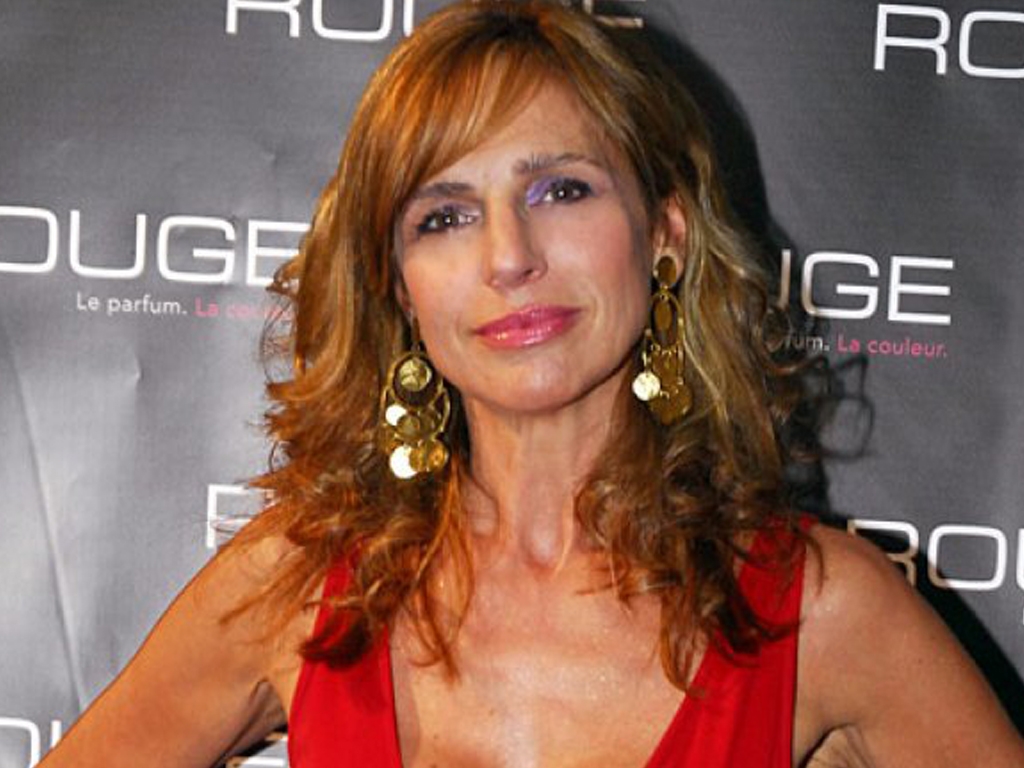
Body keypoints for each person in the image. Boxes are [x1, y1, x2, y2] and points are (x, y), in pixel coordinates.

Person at [40, 2, 1024, 766]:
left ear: (665, 235)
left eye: (561, 190)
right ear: (397, 286)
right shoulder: (290, 589)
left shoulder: (821, 613)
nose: (509, 256)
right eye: (443, 216)